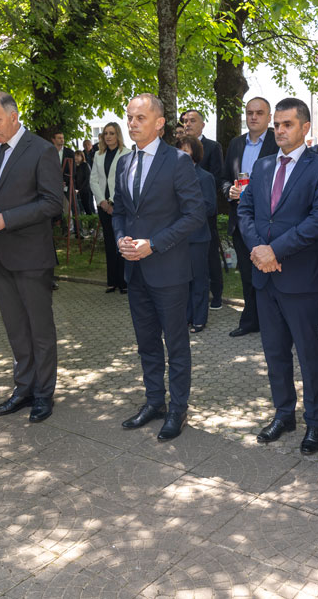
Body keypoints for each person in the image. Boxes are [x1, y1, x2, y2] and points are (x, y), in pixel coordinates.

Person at [237, 97, 318, 455]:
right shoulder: (263, 166)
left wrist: (275, 251)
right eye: (276, 125)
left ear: (305, 127)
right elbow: (246, 211)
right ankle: (284, 414)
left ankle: (315, 422)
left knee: (309, 356)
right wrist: (259, 250)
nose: (279, 130)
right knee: (275, 354)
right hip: (265, 278)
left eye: (287, 124)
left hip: (300, 279)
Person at [114, 93, 204, 441]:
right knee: (146, 342)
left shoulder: (178, 161)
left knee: (176, 344)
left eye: (140, 118)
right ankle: (154, 402)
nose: (132, 123)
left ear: (160, 122)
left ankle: (178, 408)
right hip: (135, 270)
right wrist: (121, 239)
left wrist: (153, 243)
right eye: (129, 117)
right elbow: (121, 211)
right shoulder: (124, 161)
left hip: (168, 269)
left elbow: (195, 215)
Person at [0, 92, 62, 423]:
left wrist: (5, 219)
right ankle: (23, 389)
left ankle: (44, 394)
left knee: (40, 330)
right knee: (16, 330)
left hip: (31, 256)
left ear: (14, 116)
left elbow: (52, 202)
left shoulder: (41, 149)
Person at [222, 97, 279, 337]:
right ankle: (250, 320)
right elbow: (224, 178)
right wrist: (229, 191)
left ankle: (273, 322)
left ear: (269, 117)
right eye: (249, 112)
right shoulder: (236, 144)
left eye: (259, 113)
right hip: (241, 222)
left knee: (271, 274)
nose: (253, 117)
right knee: (247, 275)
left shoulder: (278, 141)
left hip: (269, 221)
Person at [181, 109, 225, 309]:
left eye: (192, 120)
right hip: (183, 216)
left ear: (202, 125)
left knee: (210, 255)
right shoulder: (178, 147)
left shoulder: (212, 147)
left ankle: (216, 294)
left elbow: (216, 176)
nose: (188, 124)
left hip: (204, 211)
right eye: (185, 121)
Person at [177, 135, 216, 333]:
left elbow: (210, 207)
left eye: (186, 150)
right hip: (177, 237)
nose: (182, 153)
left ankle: (199, 319)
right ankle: (186, 317)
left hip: (198, 237)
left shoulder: (205, 177)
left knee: (199, 279)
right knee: (183, 280)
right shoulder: (173, 176)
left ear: (195, 153)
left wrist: (187, 212)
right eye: (180, 150)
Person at [89, 122, 129, 293]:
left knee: (122, 243)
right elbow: (93, 180)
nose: (108, 136)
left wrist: (113, 201)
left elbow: (126, 180)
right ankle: (112, 281)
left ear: (118, 135)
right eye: (106, 133)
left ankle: (124, 282)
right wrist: (103, 202)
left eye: (112, 133)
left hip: (120, 205)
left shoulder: (127, 154)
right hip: (103, 206)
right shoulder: (98, 155)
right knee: (109, 243)